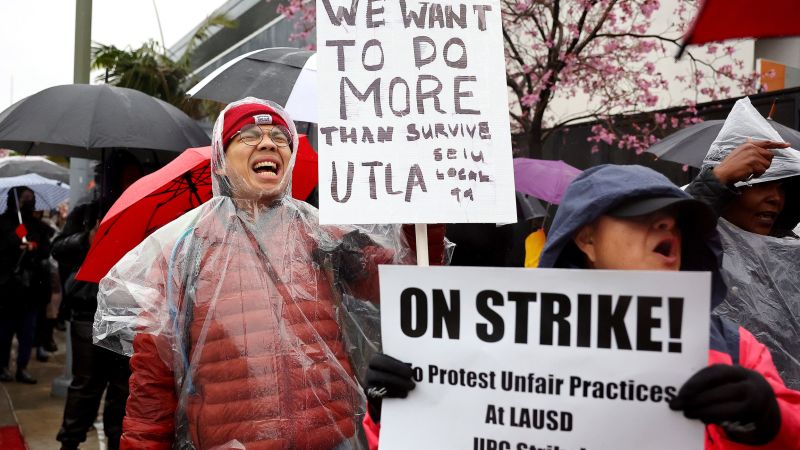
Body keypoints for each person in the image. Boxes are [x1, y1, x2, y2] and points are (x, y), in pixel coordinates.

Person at [92, 98, 447, 449]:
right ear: (221, 161)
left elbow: (406, 282)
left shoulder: (321, 235)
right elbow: (152, 390)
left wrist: (424, 216)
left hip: (333, 440)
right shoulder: (183, 254)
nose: (267, 143)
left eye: (279, 137)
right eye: (248, 135)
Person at [362, 165, 800, 450]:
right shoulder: (498, 336)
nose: (668, 224)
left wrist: (766, 419)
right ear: (586, 238)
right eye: (643, 214)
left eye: (678, 219)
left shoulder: (732, 346)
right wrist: (393, 416)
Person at [55, 150, 144, 450]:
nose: (130, 180)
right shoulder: (87, 211)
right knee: (87, 386)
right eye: (125, 174)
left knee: (122, 389)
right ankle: (70, 442)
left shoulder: (143, 210)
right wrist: (86, 240)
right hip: (88, 310)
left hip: (128, 309)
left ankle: (115, 442)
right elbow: (59, 249)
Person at [0, 187, 53, 384]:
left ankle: (22, 367)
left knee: (27, 331)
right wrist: (15, 240)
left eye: (30, 199)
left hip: (31, 289)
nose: (28, 202)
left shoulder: (37, 226)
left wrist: (34, 246)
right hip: (8, 289)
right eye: (24, 199)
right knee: (5, 331)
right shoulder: (3, 223)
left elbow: (46, 250)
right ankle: (3, 366)